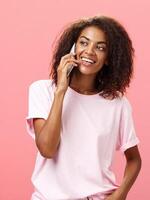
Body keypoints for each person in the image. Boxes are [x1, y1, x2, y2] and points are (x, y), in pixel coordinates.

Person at [25, 15, 142, 200]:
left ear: (109, 59)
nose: (89, 51)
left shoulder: (118, 104)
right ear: (73, 48)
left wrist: (121, 194)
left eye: (100, 47)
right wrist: (61, 91)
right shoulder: (43, 91)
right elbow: (47, 149)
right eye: (84, 43)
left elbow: (134, 159)